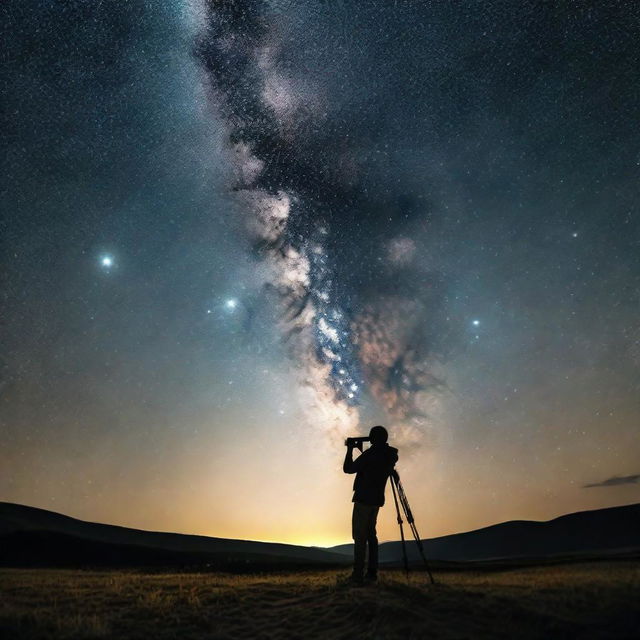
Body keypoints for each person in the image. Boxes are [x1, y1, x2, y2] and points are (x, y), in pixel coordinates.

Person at [343, 425, 398, 585]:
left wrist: (350, 450)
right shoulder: (390, 455)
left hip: (363, 500)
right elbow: (377, 465)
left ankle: (358, 574)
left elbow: (349, 469)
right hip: (376, 501)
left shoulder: (370, 454)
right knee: (371, 536)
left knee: (360, 537)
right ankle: (372, 572)